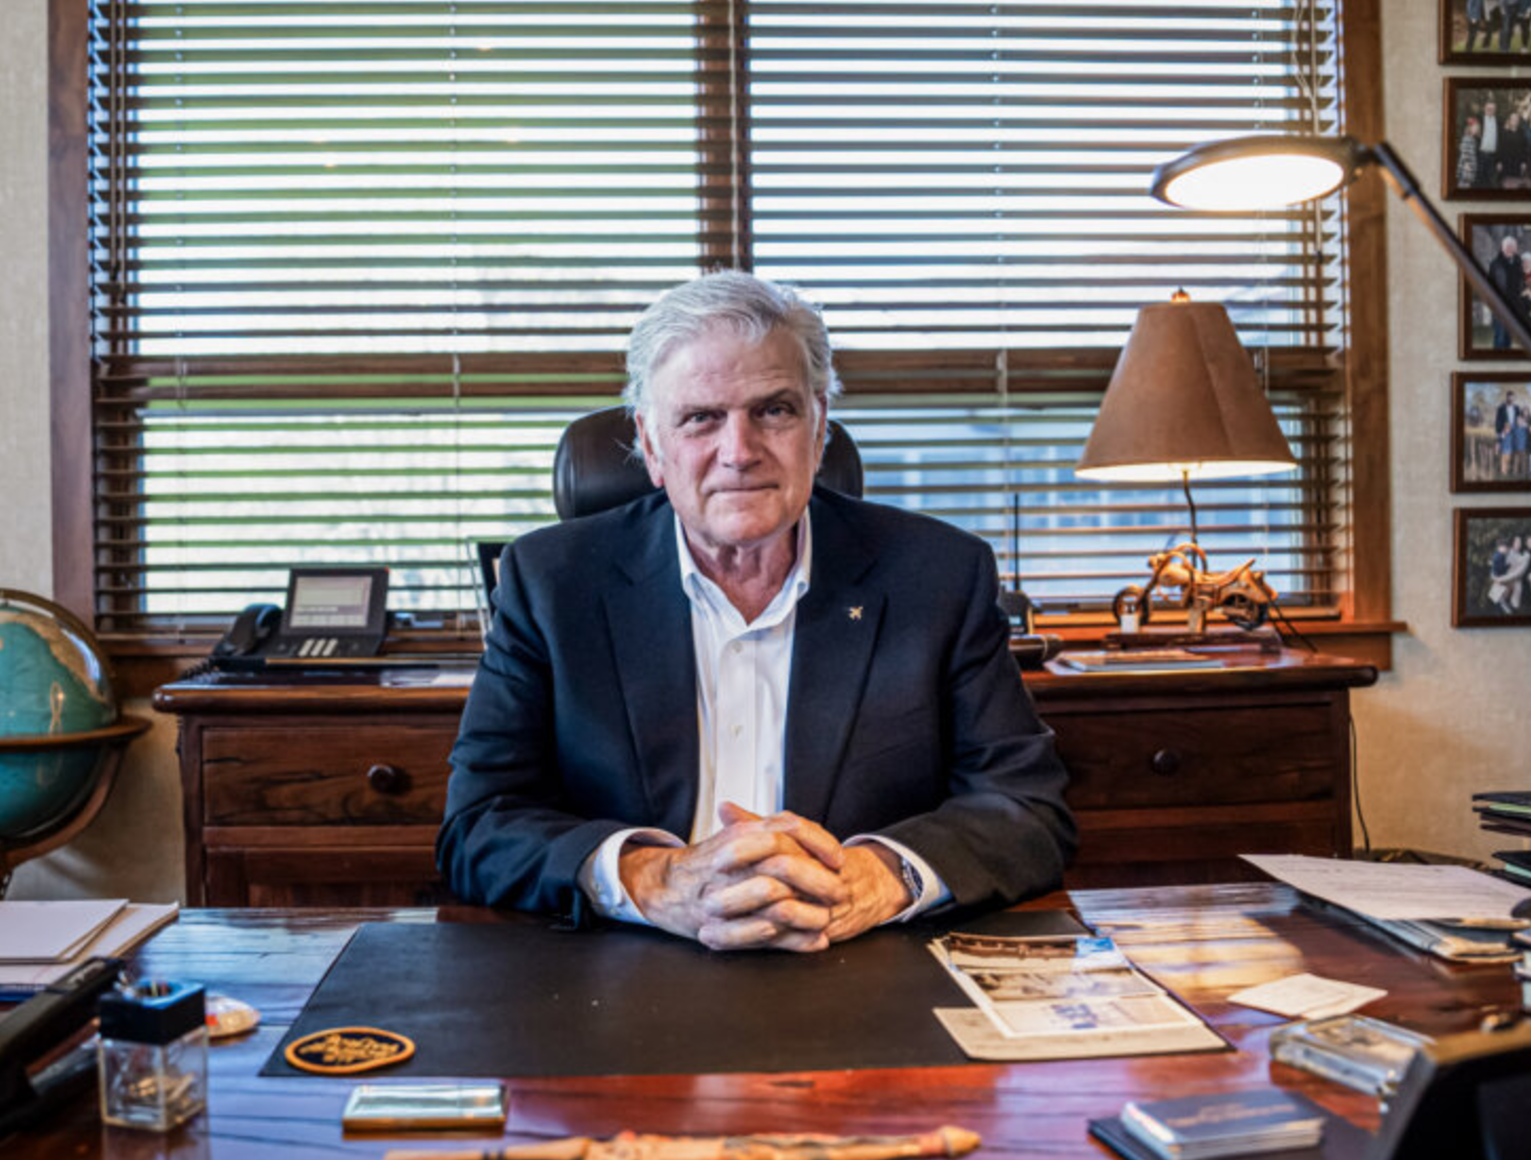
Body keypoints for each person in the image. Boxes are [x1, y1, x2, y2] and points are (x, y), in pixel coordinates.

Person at [440, 272, 1077, 949]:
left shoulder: (937, 576)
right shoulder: (553, 583)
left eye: (774, 411)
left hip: (865, 959)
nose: (740, 452)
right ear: (651, 446)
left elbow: (1027, 808)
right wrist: (653, 879)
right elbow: (479, 825)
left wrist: (874, 877)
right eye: (700, 418)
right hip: (630, 962)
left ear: (819, 427)